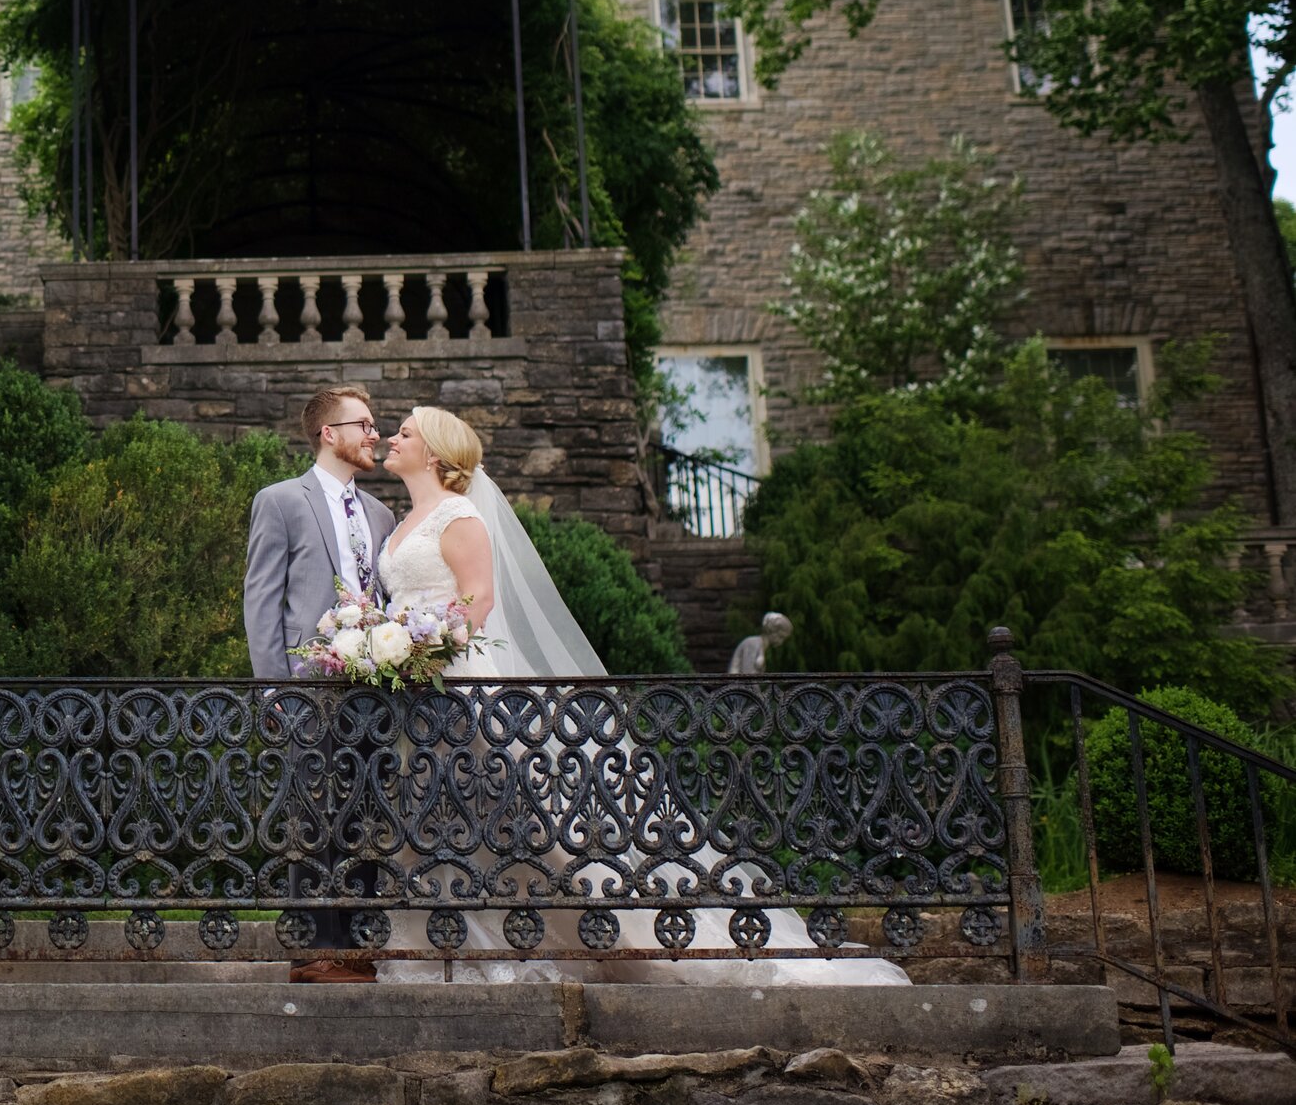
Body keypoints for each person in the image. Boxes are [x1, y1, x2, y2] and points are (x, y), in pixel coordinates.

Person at [366, 406, 907, 987]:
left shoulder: (459, 516)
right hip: (415, 693)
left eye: (404, 434)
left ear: (435, 453)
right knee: (435, 812)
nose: (391, 440)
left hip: (466, 679)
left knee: (531, 815)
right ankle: (446, 944)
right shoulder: (401, 522)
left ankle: (621, 931)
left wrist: (428, 649)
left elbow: (478, 600)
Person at [243, 384, 397, 983]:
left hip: (373, 694)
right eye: (364, 424)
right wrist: (274, 690)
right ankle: (312, 952)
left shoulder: (381, 515)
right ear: (329, 434)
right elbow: (262, 600)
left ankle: (356, 949)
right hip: (307, 692)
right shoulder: (281, 501)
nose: (374, 434)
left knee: (362, 818)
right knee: (310, 818)